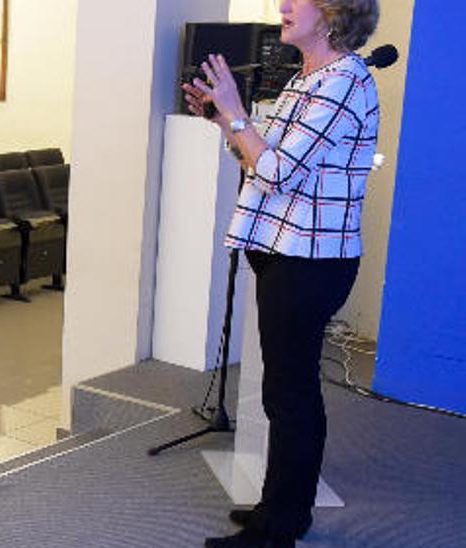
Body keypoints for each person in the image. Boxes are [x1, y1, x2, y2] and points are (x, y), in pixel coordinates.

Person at [181, 1, 380, 547]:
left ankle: (282, 527)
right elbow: (257, 160)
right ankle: (279, 508)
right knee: (282, 391)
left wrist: (236, 113)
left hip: (310, 259)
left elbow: (278, 169)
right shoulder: (304, 79)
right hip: (281, 249)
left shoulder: (342, 82)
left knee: (291, 396)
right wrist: (225, 118)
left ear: (335, 14)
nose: (283, 6)